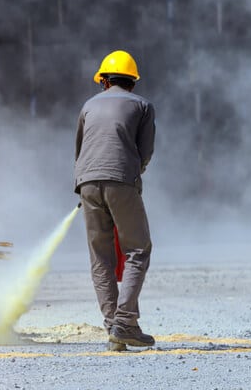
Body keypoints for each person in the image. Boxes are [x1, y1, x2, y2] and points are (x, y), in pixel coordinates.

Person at [74, 50, 156, 350]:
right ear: (132, 83)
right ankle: (124, 323)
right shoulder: (143, 106)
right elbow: (145, 152)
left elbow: (81, 149)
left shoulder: (88, 106)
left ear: (104, 82)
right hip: (121, 180)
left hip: (86, 181)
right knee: (138, 249)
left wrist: (86, 187)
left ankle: (113, 327)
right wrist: (130, 177)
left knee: (101, 256)